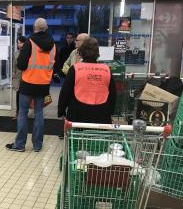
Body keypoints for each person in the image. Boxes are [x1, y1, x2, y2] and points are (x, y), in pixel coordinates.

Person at [6, 18, 56, 152]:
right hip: (43, 84)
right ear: (46, 28)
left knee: (23, 112)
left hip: (28, 83)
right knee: (39, 113)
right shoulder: (53, 44)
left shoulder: (30, 42)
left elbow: (21, 64)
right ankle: (37, 145)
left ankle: (20, 145)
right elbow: (52, 64)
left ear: (35, 28)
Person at [58, 37, 116, 124]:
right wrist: (110, 112)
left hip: (77, 114)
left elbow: (65, 92)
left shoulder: (75, 69)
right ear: (97, 53)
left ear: (81, 52)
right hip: (101, 115)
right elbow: (113, 94)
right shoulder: (106, 70)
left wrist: (61, 111)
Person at [12, 36, 27, 120]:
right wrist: (13, 73)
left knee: (26, 96)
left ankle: (24, 112)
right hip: (18, 77)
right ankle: (18, 113)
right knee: (18, 95)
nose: (19, 45)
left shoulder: (28, 53)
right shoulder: (16, 53)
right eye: (18, 43)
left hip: (27, 76)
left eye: (21, 43)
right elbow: (14, 65)